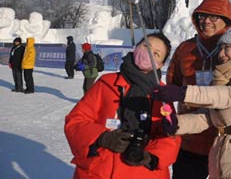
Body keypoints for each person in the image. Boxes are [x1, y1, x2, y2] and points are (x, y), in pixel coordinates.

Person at [154, 22, 231, 179]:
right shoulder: (226, 80)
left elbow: (229, 96)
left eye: (227, 48)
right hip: (223, 154)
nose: (221, 53)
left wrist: (184, 93)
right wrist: (177, 124)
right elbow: (207, 117)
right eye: (220, 48)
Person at [64, 32, 181, 179]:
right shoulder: (107, 83)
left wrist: (150, 156)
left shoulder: (162, 95)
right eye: (146, 47)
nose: (149, 54)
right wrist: (102, 137)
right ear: (136, 47)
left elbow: (171, 135)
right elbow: (76, 121)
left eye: (156, 54)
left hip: (143, 173)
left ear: (161, 64)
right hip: (101, 170)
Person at [166, 0, 231, 179]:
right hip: (190, 140)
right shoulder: (185, 49)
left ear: (226, 21)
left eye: (213, 17)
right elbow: (172, 85)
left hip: (223, 139)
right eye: (202, 17)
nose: (206, 22)